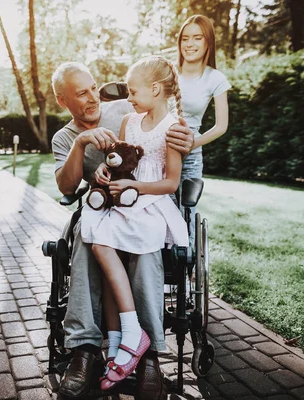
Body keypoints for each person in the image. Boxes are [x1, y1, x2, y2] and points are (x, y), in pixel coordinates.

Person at [50, 62, 194, 399]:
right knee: (88, 236)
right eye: (81, 93)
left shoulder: (123, 109)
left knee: (145, 246)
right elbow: (67, 188)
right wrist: (81, 144)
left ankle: (148, 355)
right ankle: (85, 352)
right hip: (101, 206)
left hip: (140, 203)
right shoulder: (64, 137)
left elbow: (161, 121)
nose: (92, 97)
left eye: (93, 88)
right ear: (62, 100)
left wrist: (186, 134)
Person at [176, 14, 231, 240]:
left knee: (186, 211)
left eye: (197, 38)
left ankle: (187, 269)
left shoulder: (215, 79)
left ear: (208, 41)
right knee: (158, 207)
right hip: (160, 148)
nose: (190, 44)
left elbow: (221, 126)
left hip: (190, 154)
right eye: (185, 39)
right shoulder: (167, 71)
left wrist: (192, 142)